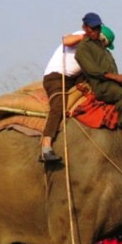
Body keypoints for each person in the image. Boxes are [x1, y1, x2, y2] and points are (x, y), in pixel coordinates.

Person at [74, 12, 122, 118]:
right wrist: (116, 77)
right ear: (85, 27)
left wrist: (120, 77)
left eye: (98, 27)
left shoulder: (102, 47)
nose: (96, 30)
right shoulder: (83, 48)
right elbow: (92, 70)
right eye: (92, 28)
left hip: (114, 84)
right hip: (102, 87)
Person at [39, 25, 87, 163]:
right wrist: (85, 37)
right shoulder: (81, 36)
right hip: (57, 77)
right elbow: (66, 40)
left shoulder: (93, 49)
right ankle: (46, 147)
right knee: (58, 107)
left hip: (73, 78)